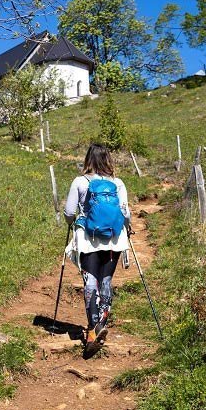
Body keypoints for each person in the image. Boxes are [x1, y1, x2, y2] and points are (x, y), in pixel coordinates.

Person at [63, 143, 131, 352]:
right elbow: (125, 213)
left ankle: (93, 329)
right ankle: (103, 321)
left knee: (90, 281)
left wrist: (72, 224)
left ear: (88, 160)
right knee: (106, 280)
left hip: (88, 238)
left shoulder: (80, 182)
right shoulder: (117, 183)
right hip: (114, 239)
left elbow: (68, 211)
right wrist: (126, 230)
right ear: (108, 160)